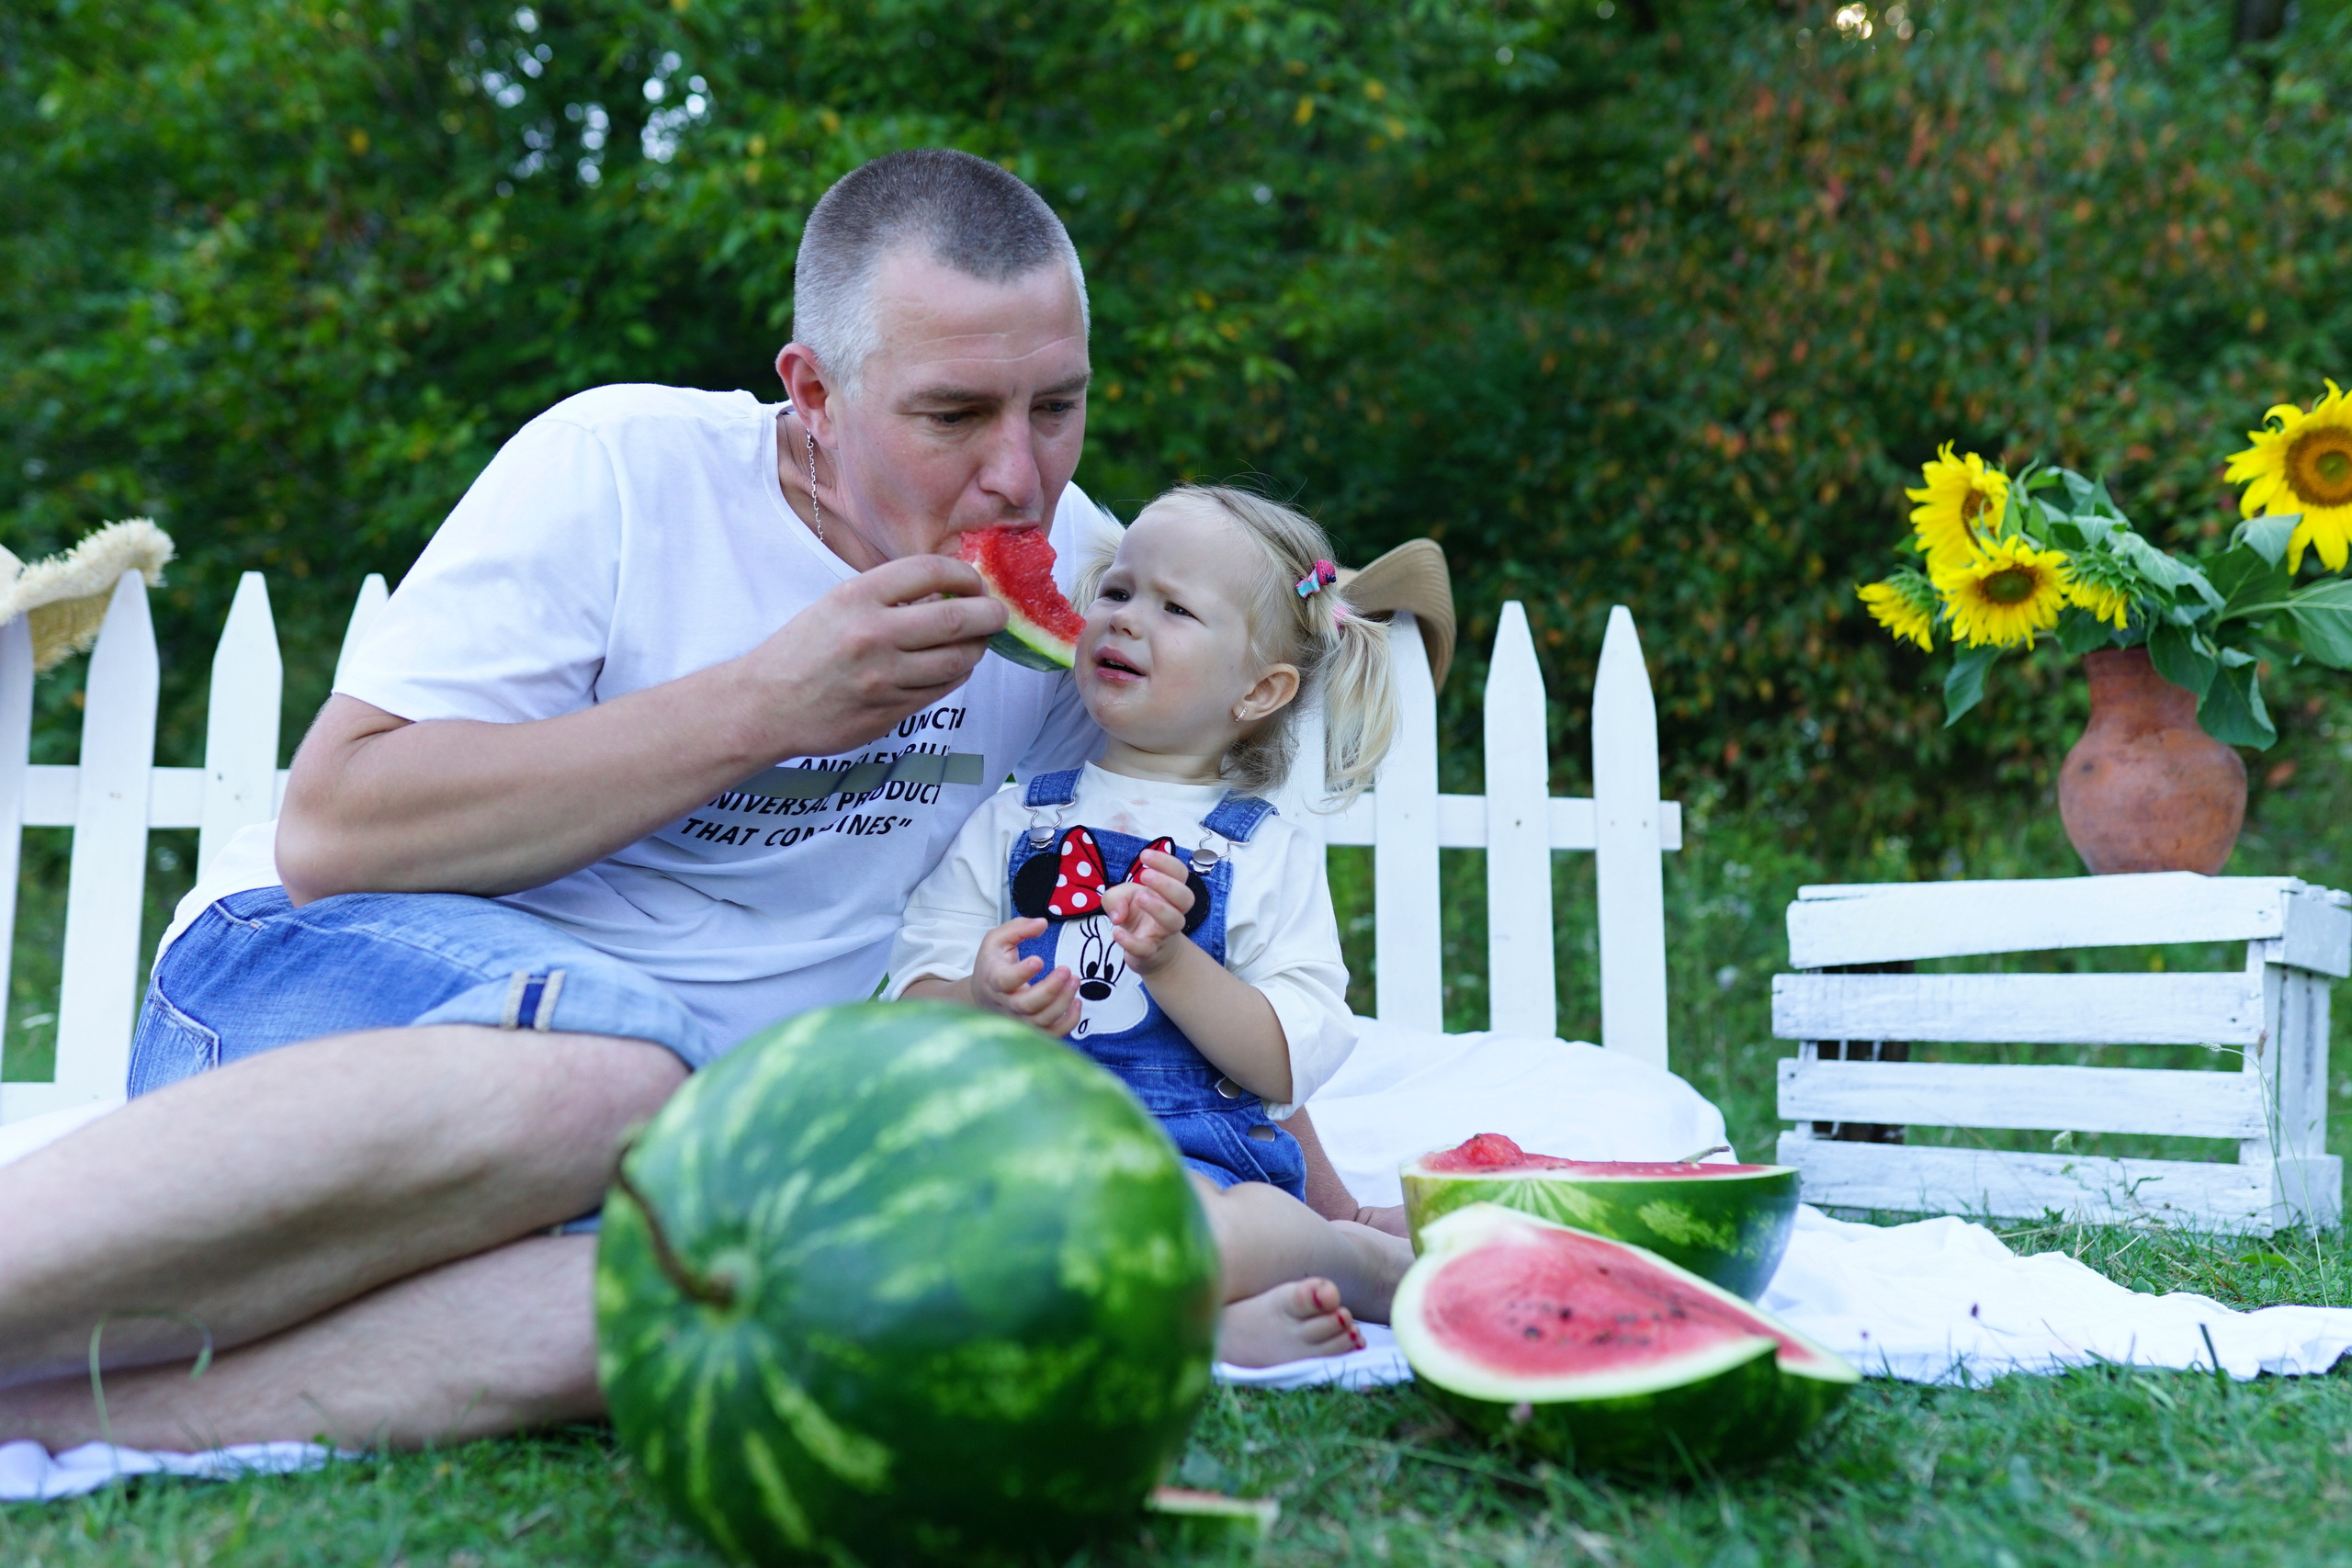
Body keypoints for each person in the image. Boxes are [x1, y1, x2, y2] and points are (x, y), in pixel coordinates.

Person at [894, 485, 1414, 1367]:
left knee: (1216, 1226)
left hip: (1191, 1164)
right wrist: (980, 998)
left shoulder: (1261, 852)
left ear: (1261, 689)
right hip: (1022, 1153)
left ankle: (1348, 1255)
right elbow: (915, 1003)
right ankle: (1201, 1322)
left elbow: (1287, 1060)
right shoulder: (1016, 822)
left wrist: (1173, 962)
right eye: (1119, 590)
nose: (1128, 619)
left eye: (1175, 608)